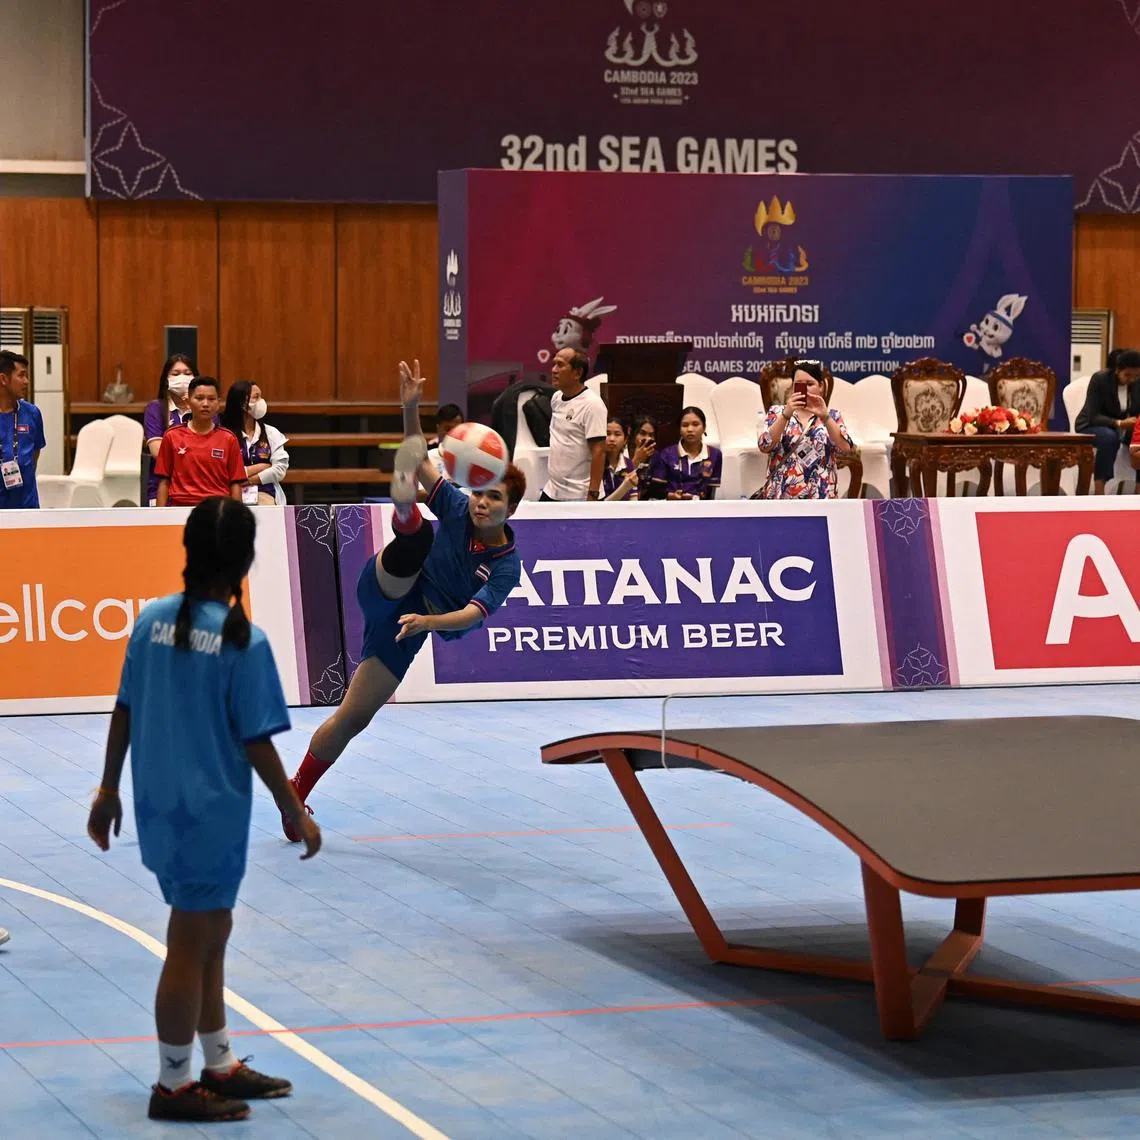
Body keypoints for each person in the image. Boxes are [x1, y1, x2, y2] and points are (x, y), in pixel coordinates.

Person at [86, 498, 320, 1123]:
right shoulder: (243, 640)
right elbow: (256, 740)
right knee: (191, 943)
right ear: (244, 561)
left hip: (162, 807)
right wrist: (293, 806)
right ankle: (173, 1086)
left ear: (190, 553)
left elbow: (125, 708)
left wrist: (107, 790)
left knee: (211, 934)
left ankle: (218, 1062)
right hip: (211, 813)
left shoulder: (150, 620)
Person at [283, 359, 524, 838]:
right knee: (416, 542)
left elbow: (468, 617)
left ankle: (295, 795)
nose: (480, 502)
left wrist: (425, 625)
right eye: (479, 493)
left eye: (493, 498)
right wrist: (409, 409)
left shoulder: (505, 565)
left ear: (511, 508)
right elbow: (421, 458)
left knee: (353, 719)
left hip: (408, 627)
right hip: (388, 587)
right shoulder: (456, 505)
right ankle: (404, 512)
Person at [754, 360, 854, 499]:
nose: (805, 389)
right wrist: (786, 415)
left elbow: (845, 448)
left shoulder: (832, 416)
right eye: (799, 385)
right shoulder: (777, 412)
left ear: (820, 386)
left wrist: (824, 417)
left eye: (810, 384)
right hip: (782, 496)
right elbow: (764, 446)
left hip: (821, 495)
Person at [155, 378, 246, 507]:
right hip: (179, 508)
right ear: (188, 402)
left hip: (218, 509)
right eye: (199, 398)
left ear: (218, 403)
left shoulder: (229, 439)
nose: (205, 404)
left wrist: (237, 518)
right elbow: (164, 480)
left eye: (211, 399)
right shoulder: (172, 436)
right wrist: (160, 518)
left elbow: (235, 483)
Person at [540, 347, 607, 501]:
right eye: (554, 364)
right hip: (553, 490)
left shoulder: (592, 405)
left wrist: (593, 496)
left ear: (577, 373)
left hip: (580, 495)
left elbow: (599, 452)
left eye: (560, 365)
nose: (554, 370)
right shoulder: (556, 398)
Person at [1075, 348, 1140, 494]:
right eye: (1127, 375)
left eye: (1136, 376)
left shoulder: (1137, 382)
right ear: (1117, 370)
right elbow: (1093, 415)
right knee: (1109, 438)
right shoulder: (1100, 379)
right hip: (1092, 424)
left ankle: (1138, 489)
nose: (1132, 379)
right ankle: (1100, 488)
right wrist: (1119, 423)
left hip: (1123, 426)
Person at [220, 381, 290, 505]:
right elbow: (222, 471)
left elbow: (280, 469)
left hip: (266, 494)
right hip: (231, 495)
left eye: (261, 396)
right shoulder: (224, 434)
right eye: (256, 397)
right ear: (242, 404)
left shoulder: (271, 432)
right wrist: (260, 467)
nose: (261, 401)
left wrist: (249, 480)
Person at [144, 355, 197, 506]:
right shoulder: (155, 409)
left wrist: (193, 407)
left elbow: (210, 452)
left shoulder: (205, 409)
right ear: (166, 379)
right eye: (175, 374)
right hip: (163, 487)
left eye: (187, 373)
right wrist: (195, 452)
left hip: (199, 486)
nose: (182, 378)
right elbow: (158, 452)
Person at [0, 351, 45, 510]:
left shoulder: (32, 413)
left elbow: (35, 453)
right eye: (21, 375)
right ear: (4, 379)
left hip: (27, 507)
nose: (26, 381)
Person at [650, 406, 723, 500]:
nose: (690, 429)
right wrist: (671, 496)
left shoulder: (715, 454)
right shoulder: (665, 454)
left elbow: (711, 492)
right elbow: (656, 492)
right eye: (685, 425)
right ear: (679, 429)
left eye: (695, 424)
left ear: (704, 427)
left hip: (702, 509)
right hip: (671, 508)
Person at [602, 417, 652, 501]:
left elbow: (633, 501)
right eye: (608, 433)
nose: (612, 439)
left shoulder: (628, 464)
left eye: (617, 434)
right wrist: (625, 487)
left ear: (625, 439)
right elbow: (598, 507)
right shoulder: (596, 463)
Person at [426, 403, 464, 482]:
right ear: (438, 428)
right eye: (447, 429)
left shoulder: (471, 457)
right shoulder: (427, 456)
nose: (452, 434)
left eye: (457, 430)